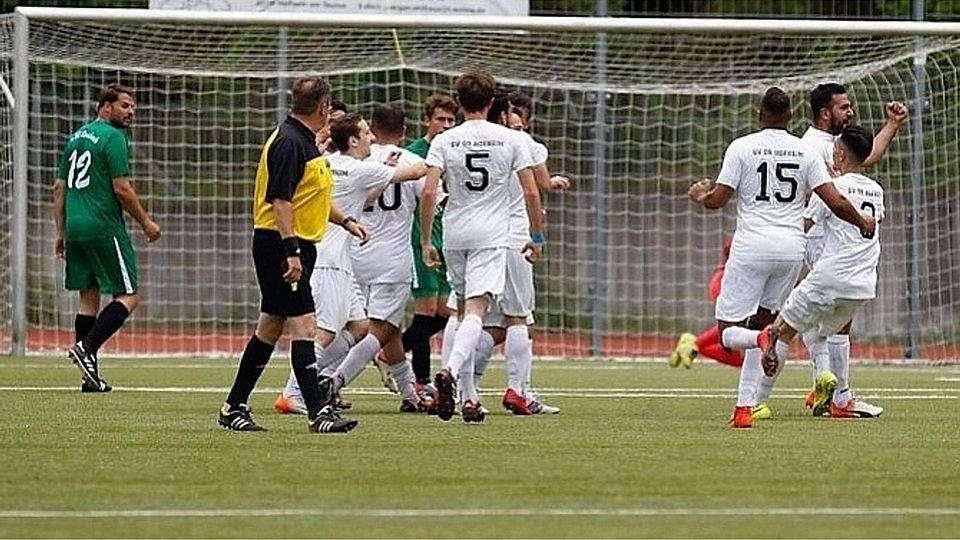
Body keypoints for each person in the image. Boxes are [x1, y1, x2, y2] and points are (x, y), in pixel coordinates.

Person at [688, 86, 875, 429]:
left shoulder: (741, 147)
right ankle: (744, 409)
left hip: (751, 248)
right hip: (791, 250)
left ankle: (762, 342)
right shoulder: (804, 152)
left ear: (759, 115)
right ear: (790, 118)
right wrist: (863, 221)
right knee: (763, 320)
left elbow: (718, 200)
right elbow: (834, 201)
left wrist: (701, 195)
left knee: (730, 332)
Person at [218, 77, 362, 433]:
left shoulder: (305, 142)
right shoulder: (288, 142)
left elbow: (308, 197)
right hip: (281, 245)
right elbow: (279, 201)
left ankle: (233, 407)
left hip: (294, 245)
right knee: (305, 326)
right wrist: (291, 251)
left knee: (269, 327)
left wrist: (345, 220)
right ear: (324, 108)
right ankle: (319, 413)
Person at [274, 111, 425, 414]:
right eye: (367, 133)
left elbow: (362, 197)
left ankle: (313, 381)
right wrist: (436, 150)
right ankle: (293, 393)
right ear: (353, 140)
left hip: (336, 255)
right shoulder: (360, 169)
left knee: (359, 326)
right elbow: (416, 172)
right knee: (325, 330)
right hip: (330, 260)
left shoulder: (326, 163)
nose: (372, 137)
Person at [422, 70, 545, 423]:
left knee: (460, 311)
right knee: (479, 311)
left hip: (455, 232)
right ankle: (449, 372)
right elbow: (532, 190)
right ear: (492, 102)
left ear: (459, 102)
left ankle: (469, 398)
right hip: (492, 234)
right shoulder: (511, 139)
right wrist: (536, 236)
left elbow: (430, 191)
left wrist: (427, 239)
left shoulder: (445, 140)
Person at [792, 83, 906, 416]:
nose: (850, 111)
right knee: (828, 319)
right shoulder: (813, 146)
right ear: (825, 112)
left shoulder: (836, 145)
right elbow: (831, 193)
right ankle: (837, 394)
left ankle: (824, 387)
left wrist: (892, 125)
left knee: (830, 320)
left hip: (830, 239)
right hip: (820, 239)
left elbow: (866, 158)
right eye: (844, 107)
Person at [760, 125, 885, 419]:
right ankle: (840, 396)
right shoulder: (877, 191)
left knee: (779, 333)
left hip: (829, 277)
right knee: (835, 332)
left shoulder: (830, 188)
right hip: (863, 284)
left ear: (839, 154)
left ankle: (755, 401)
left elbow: (805, 227)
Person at [464, 100, 569, 416]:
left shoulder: (469, 141)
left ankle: (466, 388)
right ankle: (518, 391)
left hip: (481, 239)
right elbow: (537, 187)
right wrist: (537, 233)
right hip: (515, 239)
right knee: (520, 318)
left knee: (484, 320)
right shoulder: (521, 142)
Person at [54, 83, 161, 393]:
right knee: (129, 296)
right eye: (125, 106)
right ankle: (86, 348)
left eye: (133, 107)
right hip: (103, 226)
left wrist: (60, 233)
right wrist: (146, 223)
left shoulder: (75, 138)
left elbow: (58, 188)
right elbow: (122, 189)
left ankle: (90, 376)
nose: (131, 112)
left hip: (75, 227)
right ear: (106, 106)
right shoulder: (114, 138)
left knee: (88, 296)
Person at [402, 93, 459, 389]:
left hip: (450, 235)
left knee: (444, 310)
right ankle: (421, 382)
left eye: (451, 120)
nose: (446, 125)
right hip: (419, 236)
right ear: (428, 120)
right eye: (440, 119)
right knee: (425, 310)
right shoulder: (413, 153)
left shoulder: (456, 150)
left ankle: (391, 349)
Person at [669, 238, 744, 369]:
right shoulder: (737, 266)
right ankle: (694, 344)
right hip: (724, 284)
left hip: (722, 281)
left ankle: (691, 345)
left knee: (738, 358)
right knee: (737, 324)